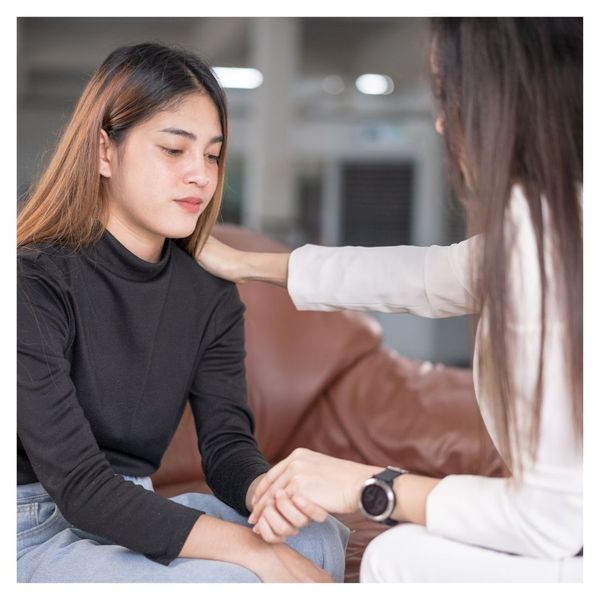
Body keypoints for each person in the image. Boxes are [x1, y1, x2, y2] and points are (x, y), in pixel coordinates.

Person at [196, 18, 583, 582]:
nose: (442, 121)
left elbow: (555, 519)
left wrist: (370, 486)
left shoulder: (542, 237)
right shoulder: (558, 218)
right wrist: (245, 264)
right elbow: (425, 275)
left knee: (396, 558)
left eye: (449, 93)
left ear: (503, 99)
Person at [17, 42, 349, 583]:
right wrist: (254, 551)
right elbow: (79, 488)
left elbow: (226, 445)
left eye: (213, 155)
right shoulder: (32, 280)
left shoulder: (210, 292)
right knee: (242, 576)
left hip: (136, 508)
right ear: (105, 152)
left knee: (318, 537)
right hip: (34, 522)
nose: (201, 174)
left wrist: (265, 493)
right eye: (174, 150)